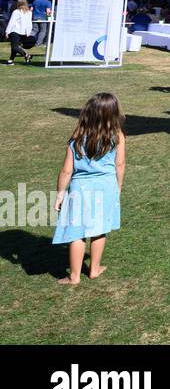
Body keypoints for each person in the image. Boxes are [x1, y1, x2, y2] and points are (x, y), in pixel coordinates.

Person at [52, 92, 125, 285]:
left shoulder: (77, 137)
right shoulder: (117, 136)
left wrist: (60, 194)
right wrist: (118, 188)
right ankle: (94, 269)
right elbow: (120, 165)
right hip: (106, 187)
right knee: (99, 230)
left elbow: (66, 171)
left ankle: (74, 276)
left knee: (76, 231)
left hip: (79, 189)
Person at [4, 0, 36, 65]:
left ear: (19, 4)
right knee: (15, 46)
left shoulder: (16, 12)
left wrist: (7, 31)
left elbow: (11, 22)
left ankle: (27, 55)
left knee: (14, 47)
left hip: (14, 31)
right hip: (23, 32)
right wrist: (28, 31)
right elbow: (29, 23)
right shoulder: (29, 12)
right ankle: (11, 60)